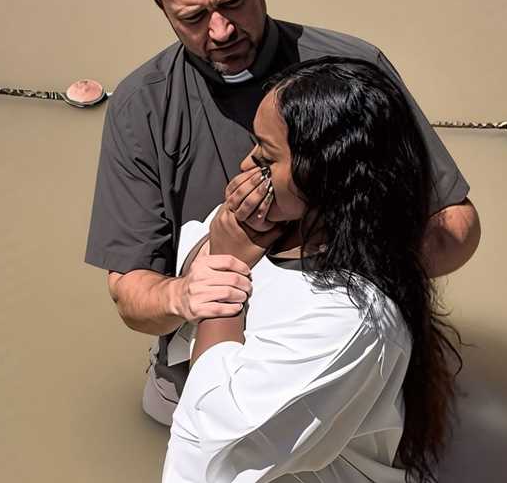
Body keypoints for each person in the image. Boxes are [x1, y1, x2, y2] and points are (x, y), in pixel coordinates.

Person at [84, 0, 481, 425]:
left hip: (353, 362)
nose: (220, 31)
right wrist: (188, 294)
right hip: (201, 370)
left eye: (232, 1)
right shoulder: (140, 107)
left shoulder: (351, 69)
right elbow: (130, 295)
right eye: (193, 17)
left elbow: (456, 226)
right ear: (159, 6)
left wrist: (339, 277)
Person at [162, 58, 459, 483]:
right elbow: (192, 250)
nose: (247, 167)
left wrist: (223, 275)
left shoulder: (347, 317)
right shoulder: (271, 225)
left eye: (266, 156)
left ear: (324, 175)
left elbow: (209, 444)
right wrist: (222, 249)